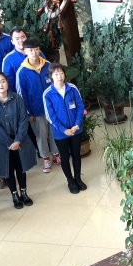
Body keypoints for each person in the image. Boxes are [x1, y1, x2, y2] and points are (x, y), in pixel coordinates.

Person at [0, 70, 36, 209]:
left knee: (21, 167)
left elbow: (23, 120)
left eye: (3, 81)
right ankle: (14, 195)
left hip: (20, 140)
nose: (0, 85)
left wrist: (17, 140)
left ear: (7, 82)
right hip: (2, 143)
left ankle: (24, 192)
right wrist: (8, 142)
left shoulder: (17, 98)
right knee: (8, 169)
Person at [17, 37, 60, 172]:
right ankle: (46, 159)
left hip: (52, 108)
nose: (34, 53)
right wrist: (28, 113)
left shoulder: (47, 65)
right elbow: (22, 94)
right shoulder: (22, 71)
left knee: (53, 132)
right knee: (41, 136)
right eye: (30, 50)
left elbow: (55, 85)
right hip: (36, 111)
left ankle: (56, 155)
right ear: (25, 52)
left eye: (36, 49)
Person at [43, 64, 86, 194]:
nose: (59, 76)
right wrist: (64, 130)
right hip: (60, 133)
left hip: (76, 129)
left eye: (61, 73)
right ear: (51, 76)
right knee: (65, 157)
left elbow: (80, 107)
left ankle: (78, 178)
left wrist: (77, 124)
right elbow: (50, 116)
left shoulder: (72, 88)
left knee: (76, 155)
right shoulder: (47, 94)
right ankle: (70, 181)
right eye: (56, 74)